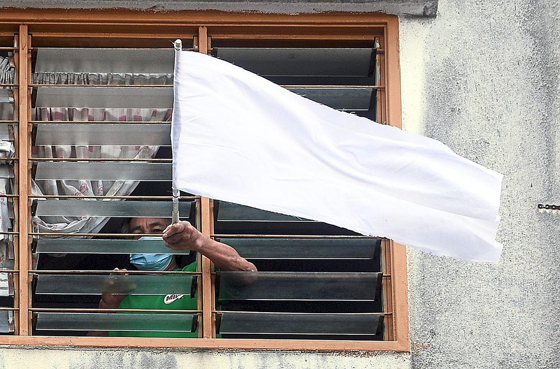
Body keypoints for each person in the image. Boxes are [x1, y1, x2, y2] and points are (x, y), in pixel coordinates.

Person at [88, 218, 256, 337]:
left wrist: (199, 242)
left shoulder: (197, 273)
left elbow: (247, 275)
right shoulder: (120, 294)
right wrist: (108, 306)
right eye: (138, 234)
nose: (147, 239)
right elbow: (87, 355)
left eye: (156, 231)